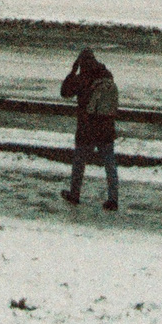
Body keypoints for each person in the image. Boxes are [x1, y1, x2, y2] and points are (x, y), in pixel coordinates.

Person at [59, 49, 119, 209]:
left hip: (87, 127)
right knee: (109, 162)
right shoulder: (107, 75)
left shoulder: (82, 78)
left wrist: (72, 71)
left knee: (79, 161)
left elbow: (65, 92)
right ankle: (113, 198)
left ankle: (74, 194)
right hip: (106, 125)